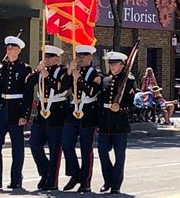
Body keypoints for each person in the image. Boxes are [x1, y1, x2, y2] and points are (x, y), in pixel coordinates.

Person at [0, 36, 32, 191]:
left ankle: (16, 179)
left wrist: (25, 115)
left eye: (12, 48)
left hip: (17, 111)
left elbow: (28, 94)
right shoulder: (3, 68)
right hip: (3, 109)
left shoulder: (25, 69)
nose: (9, 50)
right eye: (7, 48)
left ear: (18, 50)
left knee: (17, 147)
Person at [26, 45, 73, 191]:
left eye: (49, 57)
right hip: (41, 112)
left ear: (57, 58)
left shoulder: (63, 71)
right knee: (34, 144)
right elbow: (28, 83)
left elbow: (62, 87)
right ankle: (45, 172)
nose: (46, 59)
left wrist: (48, 77)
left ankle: (52, 181)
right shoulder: (41, 70)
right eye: (45, 56)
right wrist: (37, 71)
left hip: (57, 112)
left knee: (55, 149)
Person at [62, 45, 102, 193]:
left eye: (83, 56)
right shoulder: (74, 71)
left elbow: (92, 92)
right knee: (66, 143)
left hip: (88, 112)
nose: (80, 59)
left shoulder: (95, 74)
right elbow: (63, 87)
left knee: (86, 149)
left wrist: (79, 79)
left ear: (90, 57)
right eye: (78, 56)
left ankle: (85, 181)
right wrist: (69, 72)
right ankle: (74, 174)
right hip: (73, 110)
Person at [97, 51, 135, 195]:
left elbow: (131, 104)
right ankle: (107, 180)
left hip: (119, 124)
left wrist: (121, 108)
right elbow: (100, 101)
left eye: (115, 64)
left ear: (122, 65)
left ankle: (116, 184)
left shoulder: (128, 81)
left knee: (119, 156)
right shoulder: (106, 80)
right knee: (102, 152)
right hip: (105, 123)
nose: (112, 66)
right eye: (110, 64)